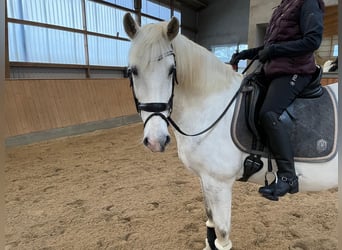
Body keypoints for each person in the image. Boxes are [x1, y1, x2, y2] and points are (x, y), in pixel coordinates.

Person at [230, 0, 325, 201]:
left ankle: (288, 176)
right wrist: (246, 54)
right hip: (275, 70)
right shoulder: (283, 6)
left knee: (269, 113)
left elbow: (313, 41)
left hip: (296, 70)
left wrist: (273, 52)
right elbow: (271, 45)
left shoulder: (307, 3)